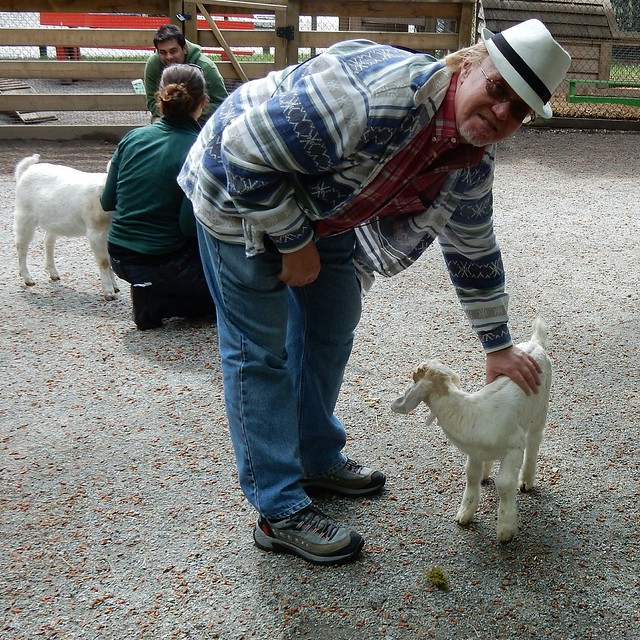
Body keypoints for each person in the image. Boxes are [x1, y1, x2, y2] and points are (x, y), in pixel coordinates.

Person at [177, 19, 571, 564]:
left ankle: (315, 455)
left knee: (331, 324)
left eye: (520, 109)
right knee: (259, 352)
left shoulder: (469, 161)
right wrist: (293, 241)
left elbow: (475, 248)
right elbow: (243, 148)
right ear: (471, 62)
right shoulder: (378, 97)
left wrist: (498, 345)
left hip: (326, 210)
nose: (503, 112)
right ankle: (278, 508)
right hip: (236, 190)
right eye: (500, 88)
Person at [102, 64, 216, 331]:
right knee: (232, 294)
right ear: (203, 102)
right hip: (162, 260)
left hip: (118, 255)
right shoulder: (198, 149)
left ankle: (152, 288)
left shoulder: (133, 137)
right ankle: (157, 302)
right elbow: (188, 226)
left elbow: (107, 202)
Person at [143, 23, 227, 124]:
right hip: (167, 118)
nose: (169, 57)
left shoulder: (206, 66)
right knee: (156, 122)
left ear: (185, 48)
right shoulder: (154, 64)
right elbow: (152, 101)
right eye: (163, 52)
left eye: (173, 51)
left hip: (200, 120)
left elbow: (222, 104)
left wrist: (189, 112)